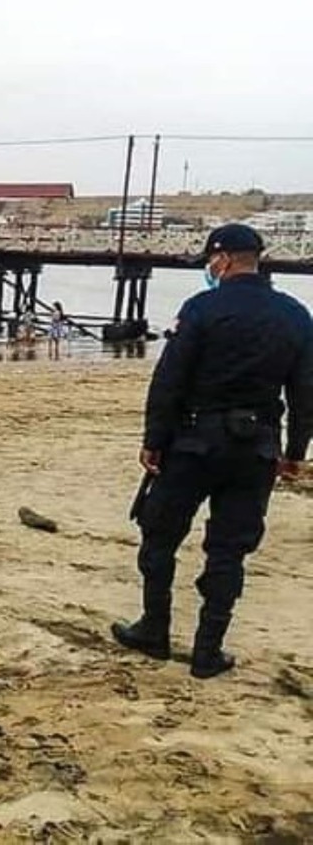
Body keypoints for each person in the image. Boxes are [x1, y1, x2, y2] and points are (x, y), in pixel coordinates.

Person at [112, 224, 313, 679]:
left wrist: (153, 440)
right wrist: (295, 451)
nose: (210, 268)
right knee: (229, 551)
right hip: (257, 446)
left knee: (160, 534)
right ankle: (208, 651)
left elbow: (170, 379)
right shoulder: (296, 315)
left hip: (194, 442)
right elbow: (305, 392)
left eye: (210, 261)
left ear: (222, 259)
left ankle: (155, 629)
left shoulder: (203, 308)